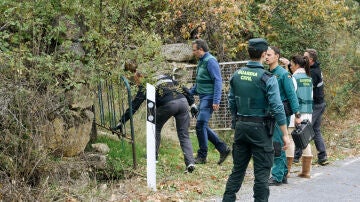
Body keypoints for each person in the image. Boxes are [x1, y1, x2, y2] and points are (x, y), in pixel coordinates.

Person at [223, 38, 289, 202]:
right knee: (261, 174)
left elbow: (231, 102)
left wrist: (235, 122)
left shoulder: (236, 75)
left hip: (241, 127)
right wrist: (285, 134)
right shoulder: (267, 77)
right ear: (262, 54)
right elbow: (277, 107)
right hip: (261, 130)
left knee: (237, 170)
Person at [111, 67, 196, 173]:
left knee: (155, 128)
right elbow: (183, 88)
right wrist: (192, 104)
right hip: (183, 103)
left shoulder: (146, 84)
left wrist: (122, 121)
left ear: (141, 77)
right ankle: (190, 162)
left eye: (136, 80)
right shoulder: (166, 77)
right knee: (184, 134)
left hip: (168, 105)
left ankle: (153, 157)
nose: (136, 84)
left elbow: (134, 105)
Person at [190, 39, 231, 165]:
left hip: (209, 98)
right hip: (203, 97)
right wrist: (189, 92)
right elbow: (200, 82)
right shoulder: (201, 62)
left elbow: (218, 81)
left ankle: (202, 156)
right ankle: (223, 149)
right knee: (203, 126)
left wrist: (216, 100)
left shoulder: (210, 61)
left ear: (201, 50)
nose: (193, 52)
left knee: (200, 125)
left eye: (194, 50)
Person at [265, 46, 301, 186]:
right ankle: (283, 174)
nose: (267, 57)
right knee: (276, 143)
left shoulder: (283, 74)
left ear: (277, 57)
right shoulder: (267, 73)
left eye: (269, 54)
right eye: (265, 55)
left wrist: (297, 114)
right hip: (270, 113)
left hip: (281, 114)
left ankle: (277, 176)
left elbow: (291, 94)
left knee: (277, 144)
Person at [295, 49, 328, 166]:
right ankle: (323, 156)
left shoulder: (314, 72)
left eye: (305, 57)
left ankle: (296, 156)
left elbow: (305, 84)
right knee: (315, 130)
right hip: (319, 103)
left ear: (311, 60)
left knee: (304, 129)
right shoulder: (313, 69)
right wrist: (290, 66)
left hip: (317, 105)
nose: (303, 59)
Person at [285, 55, 314, 178]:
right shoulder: (309, 77)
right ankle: (306, 171)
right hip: (308, 112)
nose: (290, 66)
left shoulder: (294, 78)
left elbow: (292, 96)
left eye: (291, 64)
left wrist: (296, 113)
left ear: (296, 65)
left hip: (296, 113)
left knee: (290, 139)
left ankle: (286, 172)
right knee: (305, 140)